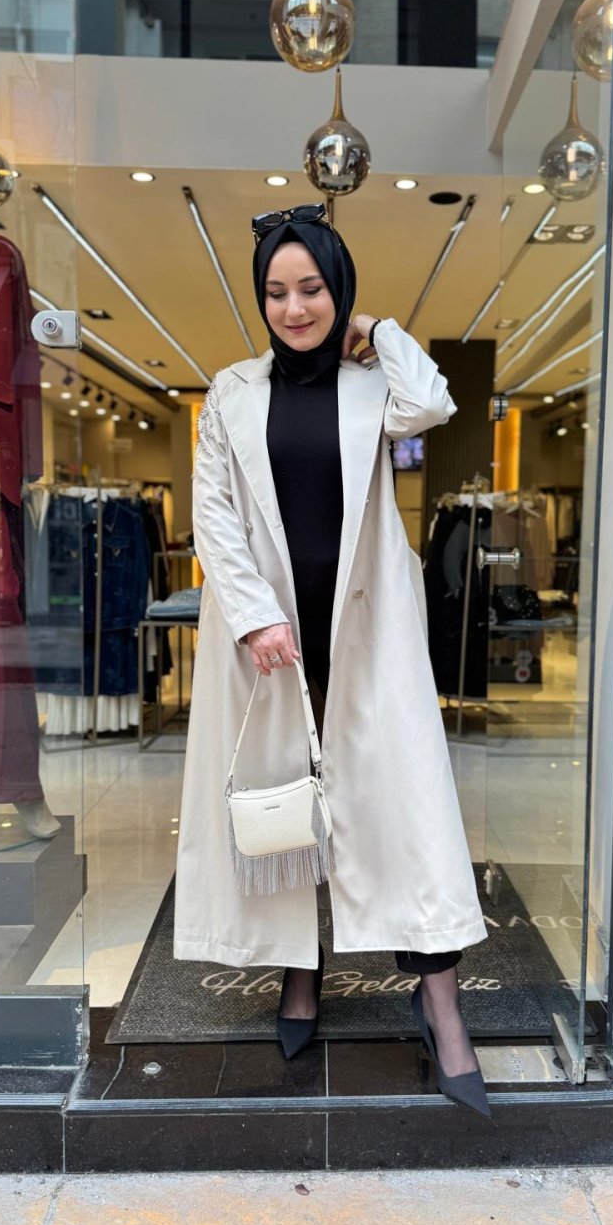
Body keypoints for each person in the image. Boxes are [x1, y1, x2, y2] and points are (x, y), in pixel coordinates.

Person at [174, 203, 489, 1116]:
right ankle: (298, 970)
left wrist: (377, 328)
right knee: (285, 810)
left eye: (312, 288)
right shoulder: (230, 391)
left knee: (405, 811)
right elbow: (213, 514)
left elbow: (434, 400)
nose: (294, 307)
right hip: (272, 641)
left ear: (337, 290)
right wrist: (255, 616)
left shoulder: (370, 387)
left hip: (366, 630)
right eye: (276, 291)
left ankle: (443, 1008)